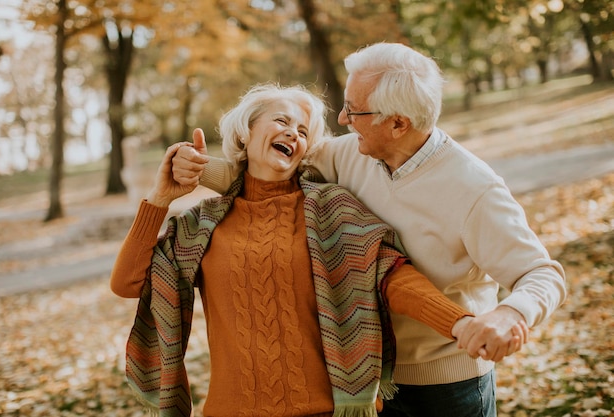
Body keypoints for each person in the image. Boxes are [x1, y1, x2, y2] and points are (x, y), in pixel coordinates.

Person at [171, 43, 566, 417]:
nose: (341, 121)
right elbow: (271, 173)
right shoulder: (349, 154)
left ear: (397, 123)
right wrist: (197, 168)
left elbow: (541, 273)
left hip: (448, 384)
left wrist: (511, 312)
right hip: (365, 382)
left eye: (354, 111)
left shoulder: (474, 188)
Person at [110, 84, 495, 417]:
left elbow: (391, 276)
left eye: (303, 131)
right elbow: (128, 283)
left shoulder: (332, 208)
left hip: (327, 410)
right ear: (245, 132)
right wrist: (160, 198)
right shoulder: (201, 225)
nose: (293, 134)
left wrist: (460, 323)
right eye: (281, 122)